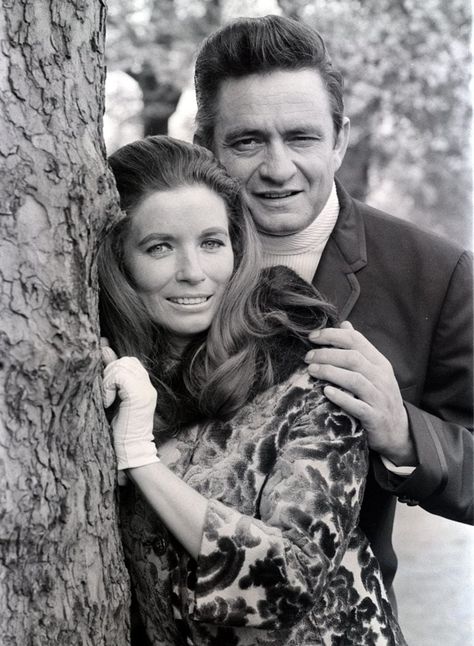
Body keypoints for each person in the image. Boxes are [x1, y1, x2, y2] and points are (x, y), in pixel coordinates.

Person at [192, 14, 474, 601]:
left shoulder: (434, 275)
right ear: (206, 148)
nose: (277, 168)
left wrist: (404, 434)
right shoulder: (152, 257)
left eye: (301, 137)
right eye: (247, 141)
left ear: (340, 138)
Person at [98, 135, 407, 645]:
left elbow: (289, 582)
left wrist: (139, 458)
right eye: (159, 247)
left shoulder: (309, 374)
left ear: (237, 248)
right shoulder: (116, 378)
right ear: (120, 262)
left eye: (211, 242)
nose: (193, 272)